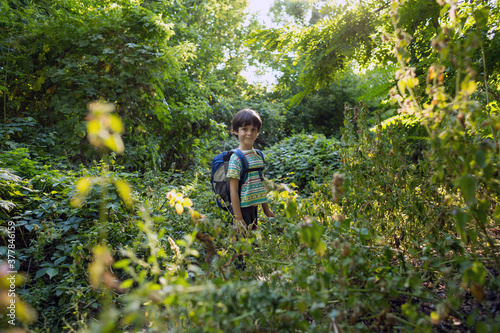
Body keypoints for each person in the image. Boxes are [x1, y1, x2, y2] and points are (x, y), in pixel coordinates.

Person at [226, 108, 275, 234]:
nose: (249, 133)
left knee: (252, 245)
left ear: (258, 131)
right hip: (240, 210)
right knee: (240, 248)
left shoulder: (258, 155)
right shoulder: (236, 158)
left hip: (254, 209)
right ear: (236, 131)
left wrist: (266, 210)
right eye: (245, 129)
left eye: (253, 129)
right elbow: (233, 191)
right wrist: (238, 218)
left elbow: (261, 186)